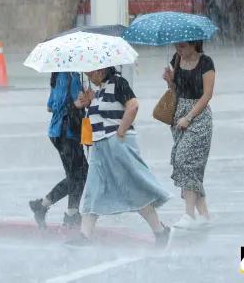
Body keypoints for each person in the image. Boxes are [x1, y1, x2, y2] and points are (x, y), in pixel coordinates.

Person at [65, 67, 173, 248]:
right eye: (87, 74)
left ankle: (161, 232)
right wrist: (82, 104)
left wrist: (121, 131)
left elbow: (133, 105)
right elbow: (88, 118)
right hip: (99, 148)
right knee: (93, 190)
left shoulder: (118, 83)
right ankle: (85, 235)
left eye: (92, 73)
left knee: (133, 189)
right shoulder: (96, 91)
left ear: (102, 69)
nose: (89, 77)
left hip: (118, 145)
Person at [162, 41, 215, 230]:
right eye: (177, 47)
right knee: (187, 165)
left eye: (182, 47)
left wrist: (189, 116)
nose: (179, 50)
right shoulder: (176, 60)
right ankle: (204, 215)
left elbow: (207, 94)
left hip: (198, 117)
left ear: (194, 45)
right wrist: (169, 81)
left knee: (185, 160)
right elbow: (176, 91)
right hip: (179, 116)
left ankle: (189, 214)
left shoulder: (206, 62)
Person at [29, 72, 88, 229]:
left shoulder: (57, 76)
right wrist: (80, 101)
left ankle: (44, 206)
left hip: (58, 132)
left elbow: (50, 106)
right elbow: (72, 104)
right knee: (79, 174)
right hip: (68, 133)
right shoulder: (71, 77)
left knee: (76, 175)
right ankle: (70, 214)